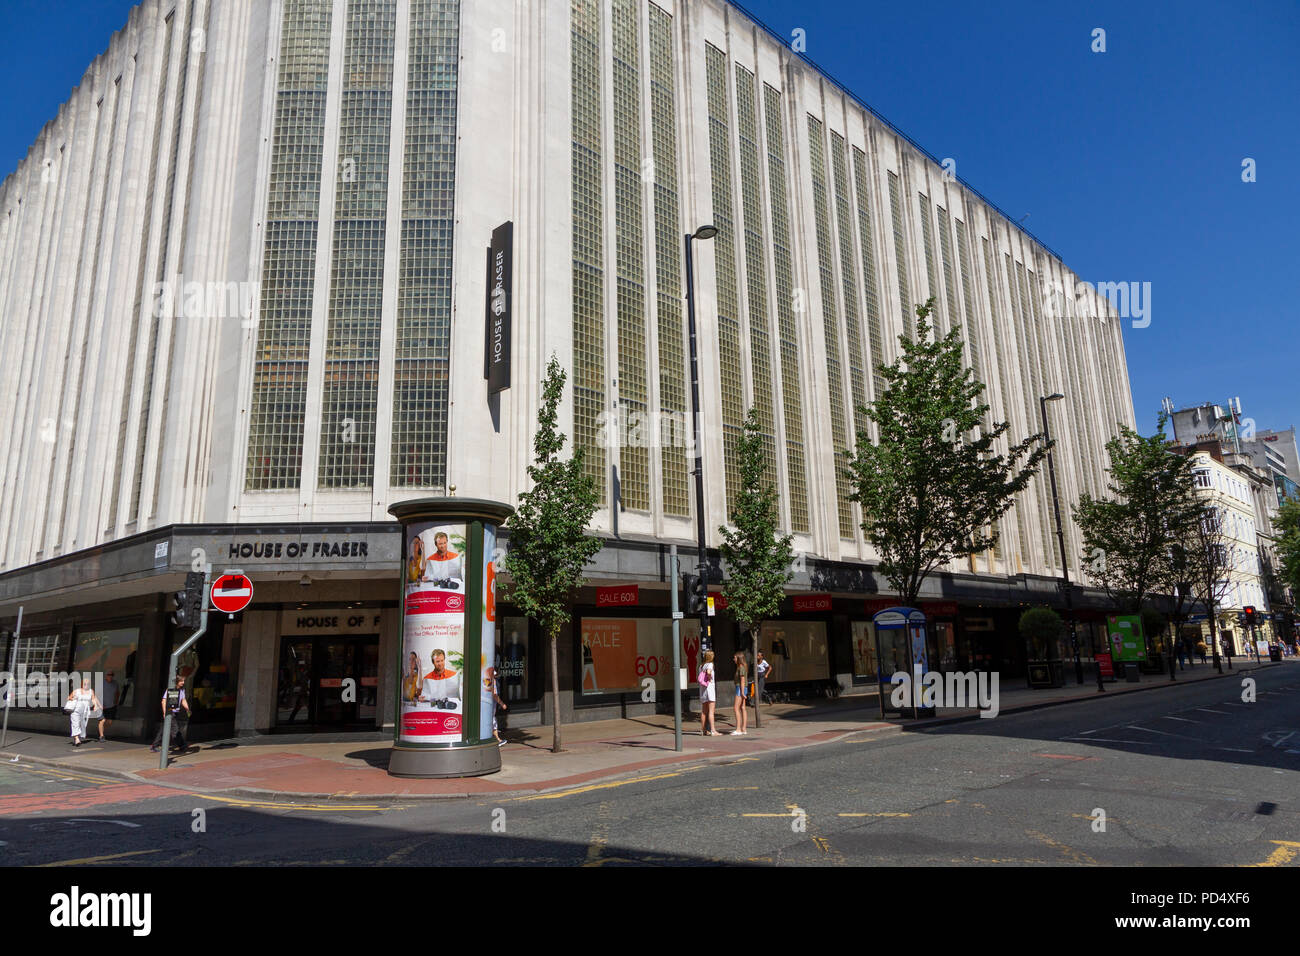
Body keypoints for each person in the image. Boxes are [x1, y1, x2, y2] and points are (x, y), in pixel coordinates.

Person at [151, 676, 191, 753]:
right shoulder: (171, 690)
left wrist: (187, 709)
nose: (183, 682)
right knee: (175, 730)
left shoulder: (182, 690)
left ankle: (154, 746)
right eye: (181, 681)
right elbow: (163, 701)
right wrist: (164, 712)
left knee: (163, 730)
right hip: (170, 712)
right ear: (177, 682)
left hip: (175, 712)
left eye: (183, 681)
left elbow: (183, 700)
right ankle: (182, 746)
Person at [65, 678, 99, 747]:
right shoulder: (77, 691)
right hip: (76, 710)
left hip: (85, 711)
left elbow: (93, 699)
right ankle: (77, 739)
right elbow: (68, 698)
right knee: (75, 723)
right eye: (84, 683)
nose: (86, 685)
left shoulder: (91, 691)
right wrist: (73, 698)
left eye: (88, 684)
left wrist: (95, 705)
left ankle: (77, 736)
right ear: (82, 684)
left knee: (83, 725)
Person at [698, 650, 719, 736]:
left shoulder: (701, 666)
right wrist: (710, 678)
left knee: (704, 711)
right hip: (709, 689)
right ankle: (713, 730)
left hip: (703, 690)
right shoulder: (710, 664)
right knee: (711, 711)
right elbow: (709, 672)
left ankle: (703, 730)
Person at [98, 671, 120, 741]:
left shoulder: (115, 683)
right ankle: (101, 736)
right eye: (109, 675)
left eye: (112, 675)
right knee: (102, 720)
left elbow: (117, 692)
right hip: (101, 706)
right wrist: (100, 704)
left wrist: (116, 701)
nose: (110, 676)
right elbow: (97, 694)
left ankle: (101, 729)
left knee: (109, 722)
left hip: (111, 706)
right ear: (106, 676)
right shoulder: (101, 683)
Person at [731, 652, 748, 735]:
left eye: (735, 658)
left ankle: (738, 729)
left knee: (736, 708)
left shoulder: (741, 668)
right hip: (743, 688)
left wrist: (741, 692)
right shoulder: (742, 667)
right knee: (743, 707)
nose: (733, 659)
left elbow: (742, 681)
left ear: (738, 658)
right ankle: (743, 729)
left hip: (740, 688)